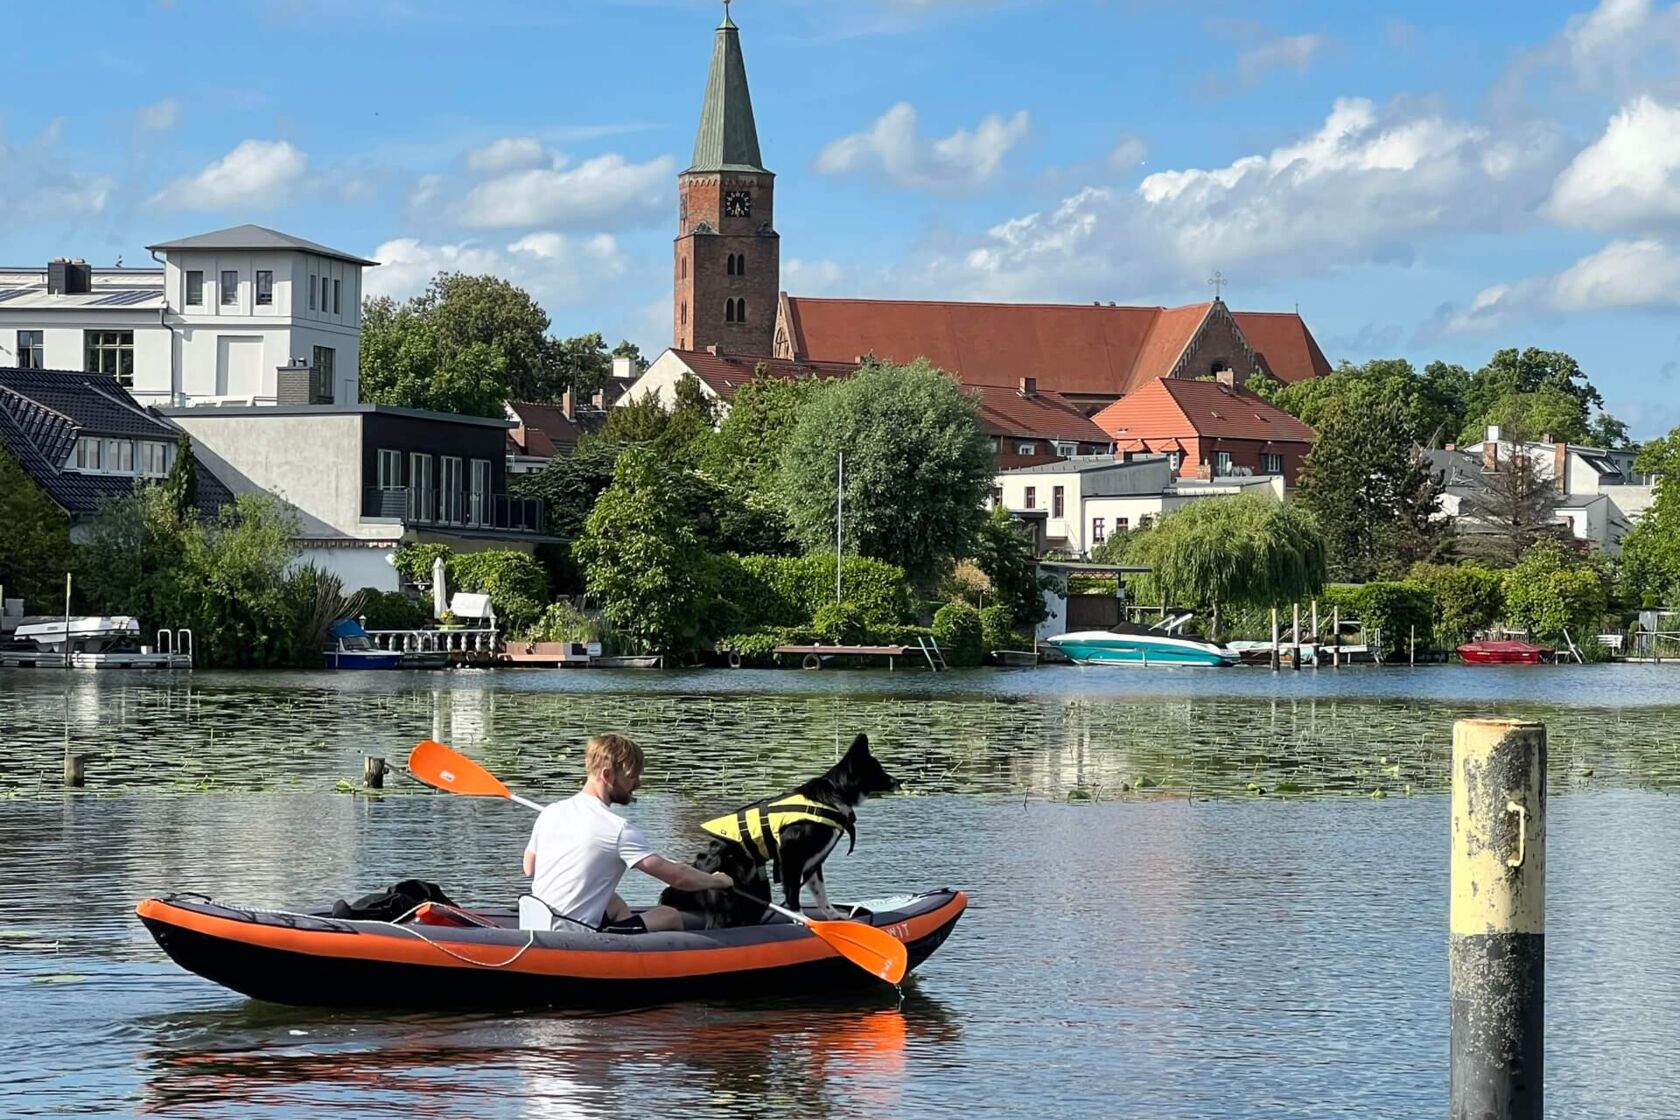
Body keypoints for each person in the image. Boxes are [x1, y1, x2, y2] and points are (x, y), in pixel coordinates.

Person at [522, 732, 730, 933]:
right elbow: (679, 878)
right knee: (669, 915)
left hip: (539, 923)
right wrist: (718, 881)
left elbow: (529, 868)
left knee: (612, 901)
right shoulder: (618, 829)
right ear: (607, 775)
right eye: (632, 777)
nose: (637, 784)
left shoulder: (551, 812)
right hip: (574, 934)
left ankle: (628, 941)